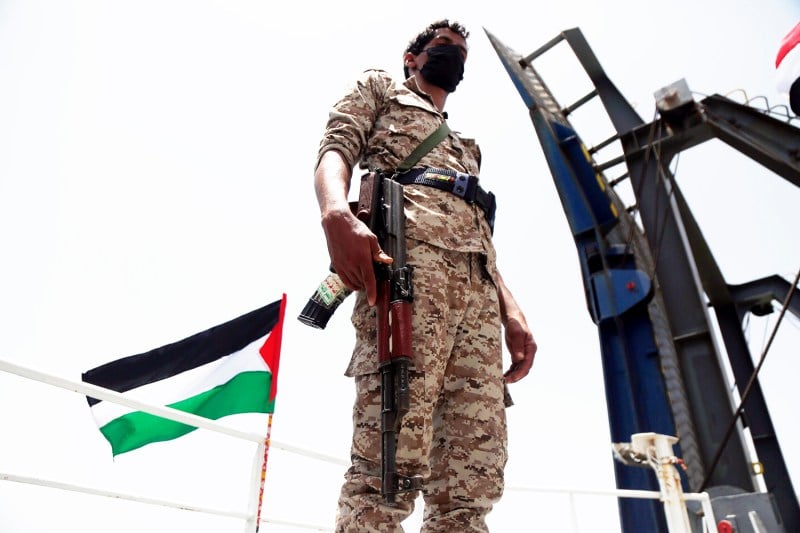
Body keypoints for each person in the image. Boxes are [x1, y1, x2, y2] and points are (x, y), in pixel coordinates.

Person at [313, 19, 537, 532]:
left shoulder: (466, 147)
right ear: (412, 57)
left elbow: (478, 234)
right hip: (409, 282)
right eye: (443, 47)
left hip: (477, 307)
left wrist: (511, 310)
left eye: (461, 51)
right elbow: (337, 146)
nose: (454, 55)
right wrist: (334, 212)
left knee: (470, 481)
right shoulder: (382, 90)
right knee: (388, 463)